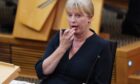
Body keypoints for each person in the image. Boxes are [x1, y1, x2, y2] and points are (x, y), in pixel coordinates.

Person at [35, 0, 113, 84]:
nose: (72, 20)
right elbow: (41, 72)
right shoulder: (60, 36)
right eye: (69, 15)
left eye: (78, 16)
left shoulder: (101, 46)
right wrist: (62, 48)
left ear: (90, 18)